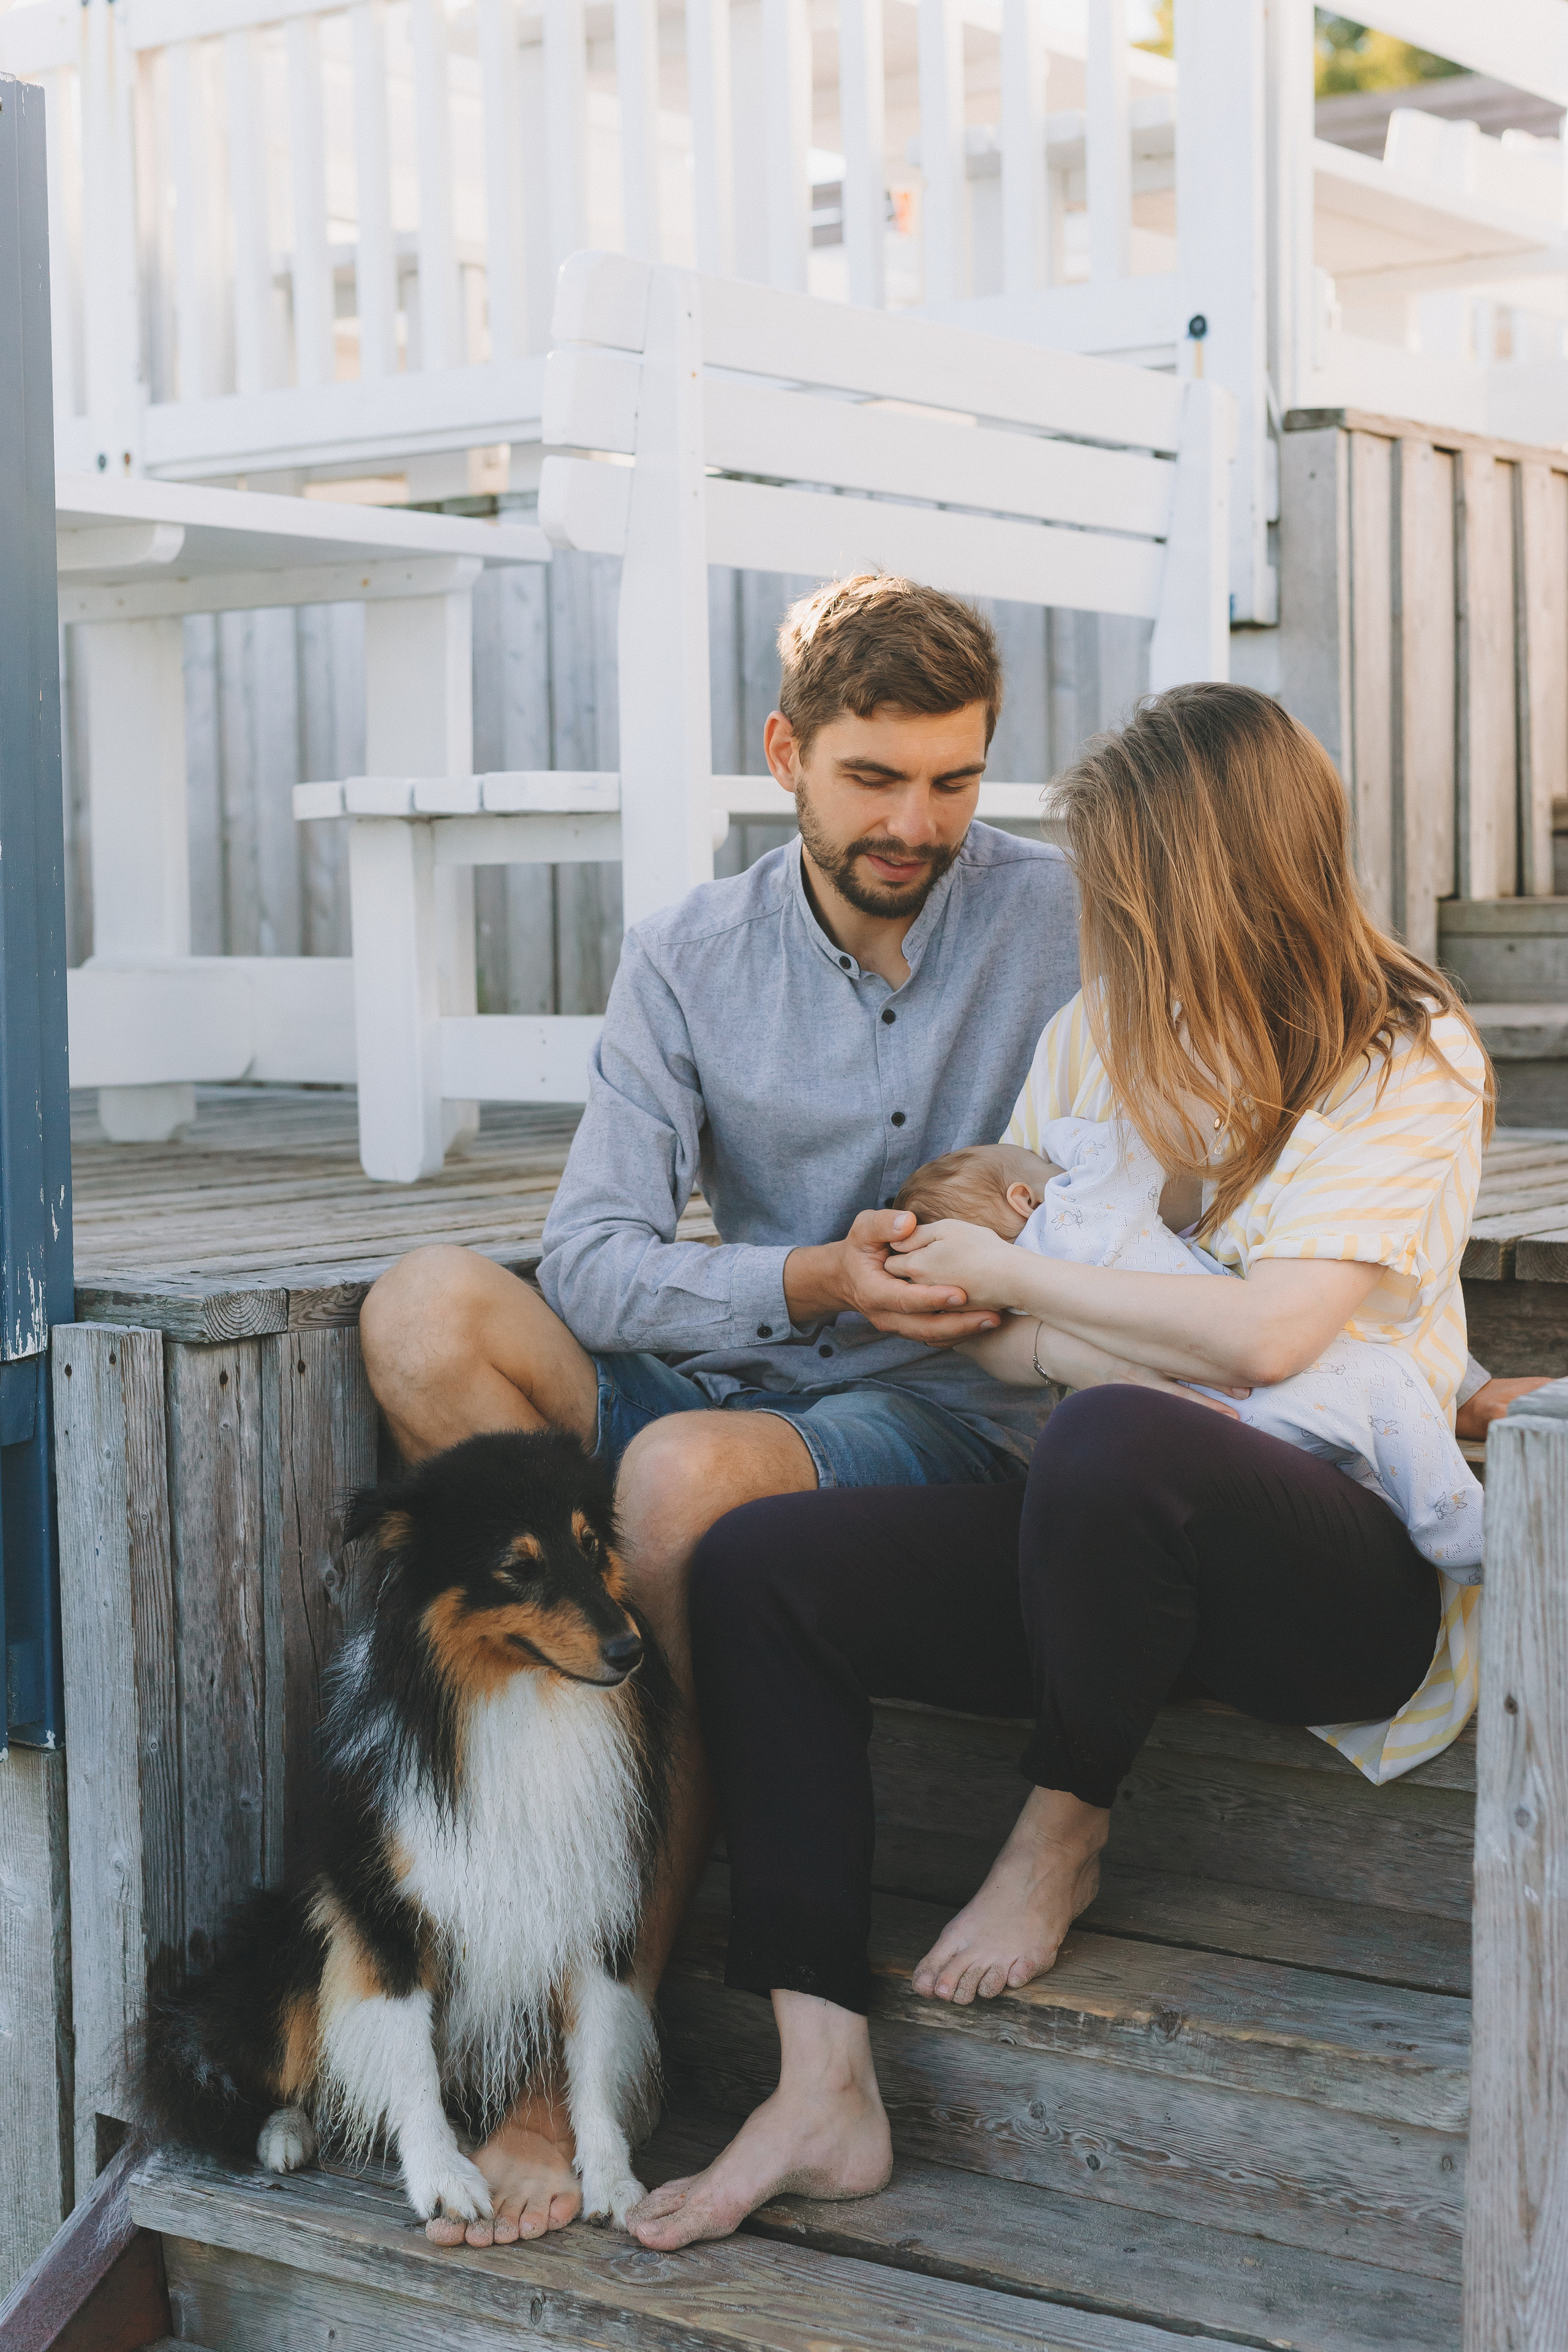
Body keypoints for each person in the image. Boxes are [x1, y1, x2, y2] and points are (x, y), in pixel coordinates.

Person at [626, 680, 1510, 2253]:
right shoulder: (1092, 1034)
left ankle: (1060, 1819)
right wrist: (1073, 1320)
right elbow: (989, 1341)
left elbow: (1267, 1338)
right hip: (1098, 1541)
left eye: (1122, 885)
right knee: (757, 1562)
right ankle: (820, 2075)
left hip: (1330, 1573)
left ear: (1213, 874)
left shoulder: (1404, 1048)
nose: (1092, 918)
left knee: (1111, 1437)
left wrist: (1050, 1301)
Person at [358, 571, 1102, 2244]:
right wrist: (809, 1281)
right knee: (425, 1316)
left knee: (686, 1487)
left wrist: (1024, 1212)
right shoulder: (690, 952)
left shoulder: (1072, 915)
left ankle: (586, 2062)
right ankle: (554, 1761)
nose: (919, 823)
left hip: (943, 1412)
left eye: (957, 780)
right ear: (785, 751)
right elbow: (597, 1261)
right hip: (748, 1350)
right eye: (874, 778)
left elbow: (1201, 1119)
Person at [896, 1124, 1485, 1573]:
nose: (1059, 1168)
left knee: (1357, 1454)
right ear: (1025, 1197)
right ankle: (1464, 1539)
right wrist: (1061, 1136)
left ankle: (1399, 1515)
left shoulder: (1023, 1301)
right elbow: (1126, 1147)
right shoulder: (1079, 1214)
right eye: (1045, 1168)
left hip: (1201, 1419)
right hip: (1249, 1380)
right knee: (1382, 1381)